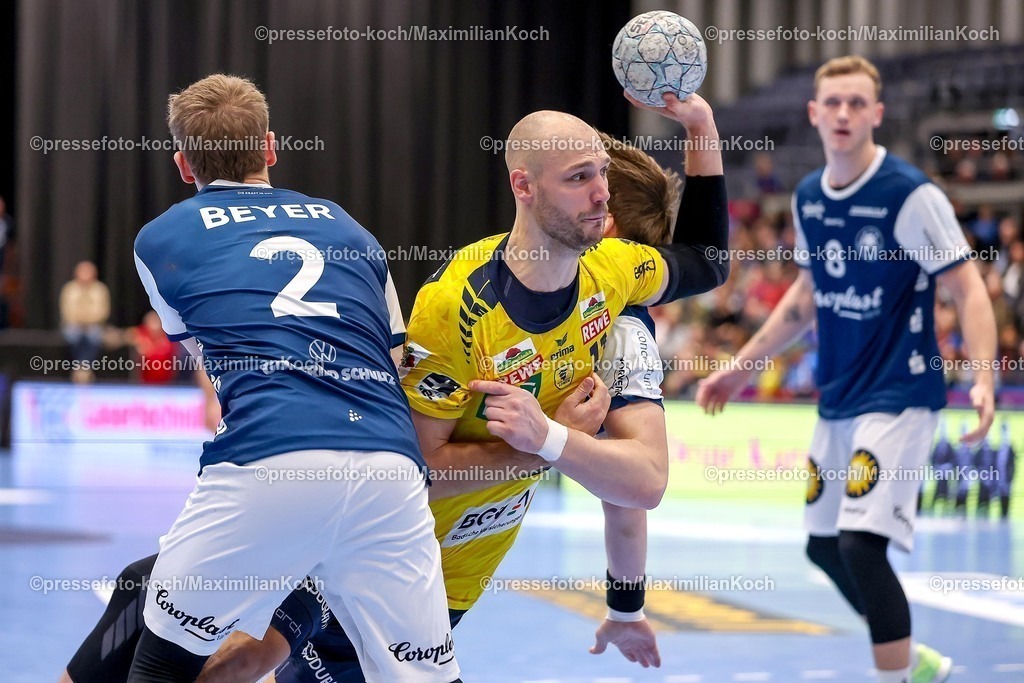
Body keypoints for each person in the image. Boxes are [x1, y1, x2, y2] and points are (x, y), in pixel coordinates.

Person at [61, 96, 722, 681]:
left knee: (207, 645)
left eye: (601, 178)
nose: (597, 194)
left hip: (417, 551)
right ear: (527, 187)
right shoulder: (461, 300)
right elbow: (418, 453)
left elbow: (638, 483)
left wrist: (617, 585)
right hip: (382, 518)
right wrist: (556, 447)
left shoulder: (620, 307)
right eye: (582, 178)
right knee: (163, 608)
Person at [125, 74, 460, 682]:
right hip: (389, 467)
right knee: (428, 675)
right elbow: (399, 355)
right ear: (272, 147)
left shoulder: (159, 239)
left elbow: (206, 346)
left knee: (160, 662)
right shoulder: (349, 228)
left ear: (182, 164)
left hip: (268, 460)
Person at [696, 55, 996, 683]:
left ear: (877, 115)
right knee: (825, 547)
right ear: (813, 112)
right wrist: (738, 368)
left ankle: (896, 674)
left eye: (857, 103)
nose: (842, 113)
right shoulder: (808, 197)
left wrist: (984, 375)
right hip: (838, 395)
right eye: (832, 102)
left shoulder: (910, 195)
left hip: (900, 391)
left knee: (862, 545)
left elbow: (968, 289)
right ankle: (915, 662)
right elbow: (804, 300)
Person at [59, 260, 110, 383]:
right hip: (73, 324)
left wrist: (88, 321)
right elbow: (67, 311)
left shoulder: (100, 289)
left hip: (94, 325)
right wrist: (80, 321)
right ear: (76, 273)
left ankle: (82, 369)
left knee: (93, 336)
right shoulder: (69, 289)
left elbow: (103, 311)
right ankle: (82, 369)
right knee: (74, 335)